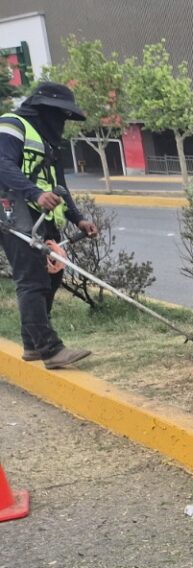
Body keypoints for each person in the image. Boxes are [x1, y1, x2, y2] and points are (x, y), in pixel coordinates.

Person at [0, 82, 98, 369]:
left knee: (52, 276)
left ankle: (32, 344)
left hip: (43, 218)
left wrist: (78, 218)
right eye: (60, 114)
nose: (62, 121)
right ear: (44, 109)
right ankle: (50, 348)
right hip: (14, 213)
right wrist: (34, 193)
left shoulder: (50, 141)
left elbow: (60, 186)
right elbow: (2, 164)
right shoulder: (12, 125)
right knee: (32, 280)